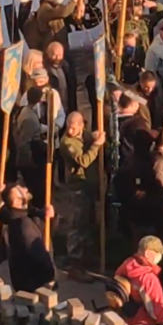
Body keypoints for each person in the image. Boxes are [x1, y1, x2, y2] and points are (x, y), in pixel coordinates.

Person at [57, 111, 104, 280]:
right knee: (77, 224)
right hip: (78, 186)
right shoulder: (67, 142)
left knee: (88, 222)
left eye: (74, 127)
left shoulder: (82, 135)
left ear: (81, 126)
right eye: (69, 126)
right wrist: (96, 145)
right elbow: (83, 160)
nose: (71, 130)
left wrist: (94, 136)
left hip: (89, 185)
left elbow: (88, 138)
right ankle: (74, 263)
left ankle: (87, 256)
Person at [114, 236, 163, 325]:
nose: (161, 256)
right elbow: (158, 313)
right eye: (158, 252)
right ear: (148, 253)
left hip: (125, 319)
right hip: (143, 323)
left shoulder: (125, 266)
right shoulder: (148, 278)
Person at [3, 184, 56, 292]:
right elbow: (38, 254)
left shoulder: (26, 215)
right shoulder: (23, 225)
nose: (26, 189)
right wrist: (51, 275)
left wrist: (50, 217)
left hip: (30, 281)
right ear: (16, 202)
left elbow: (45, 230)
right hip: (35, 283)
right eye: (20, 190)